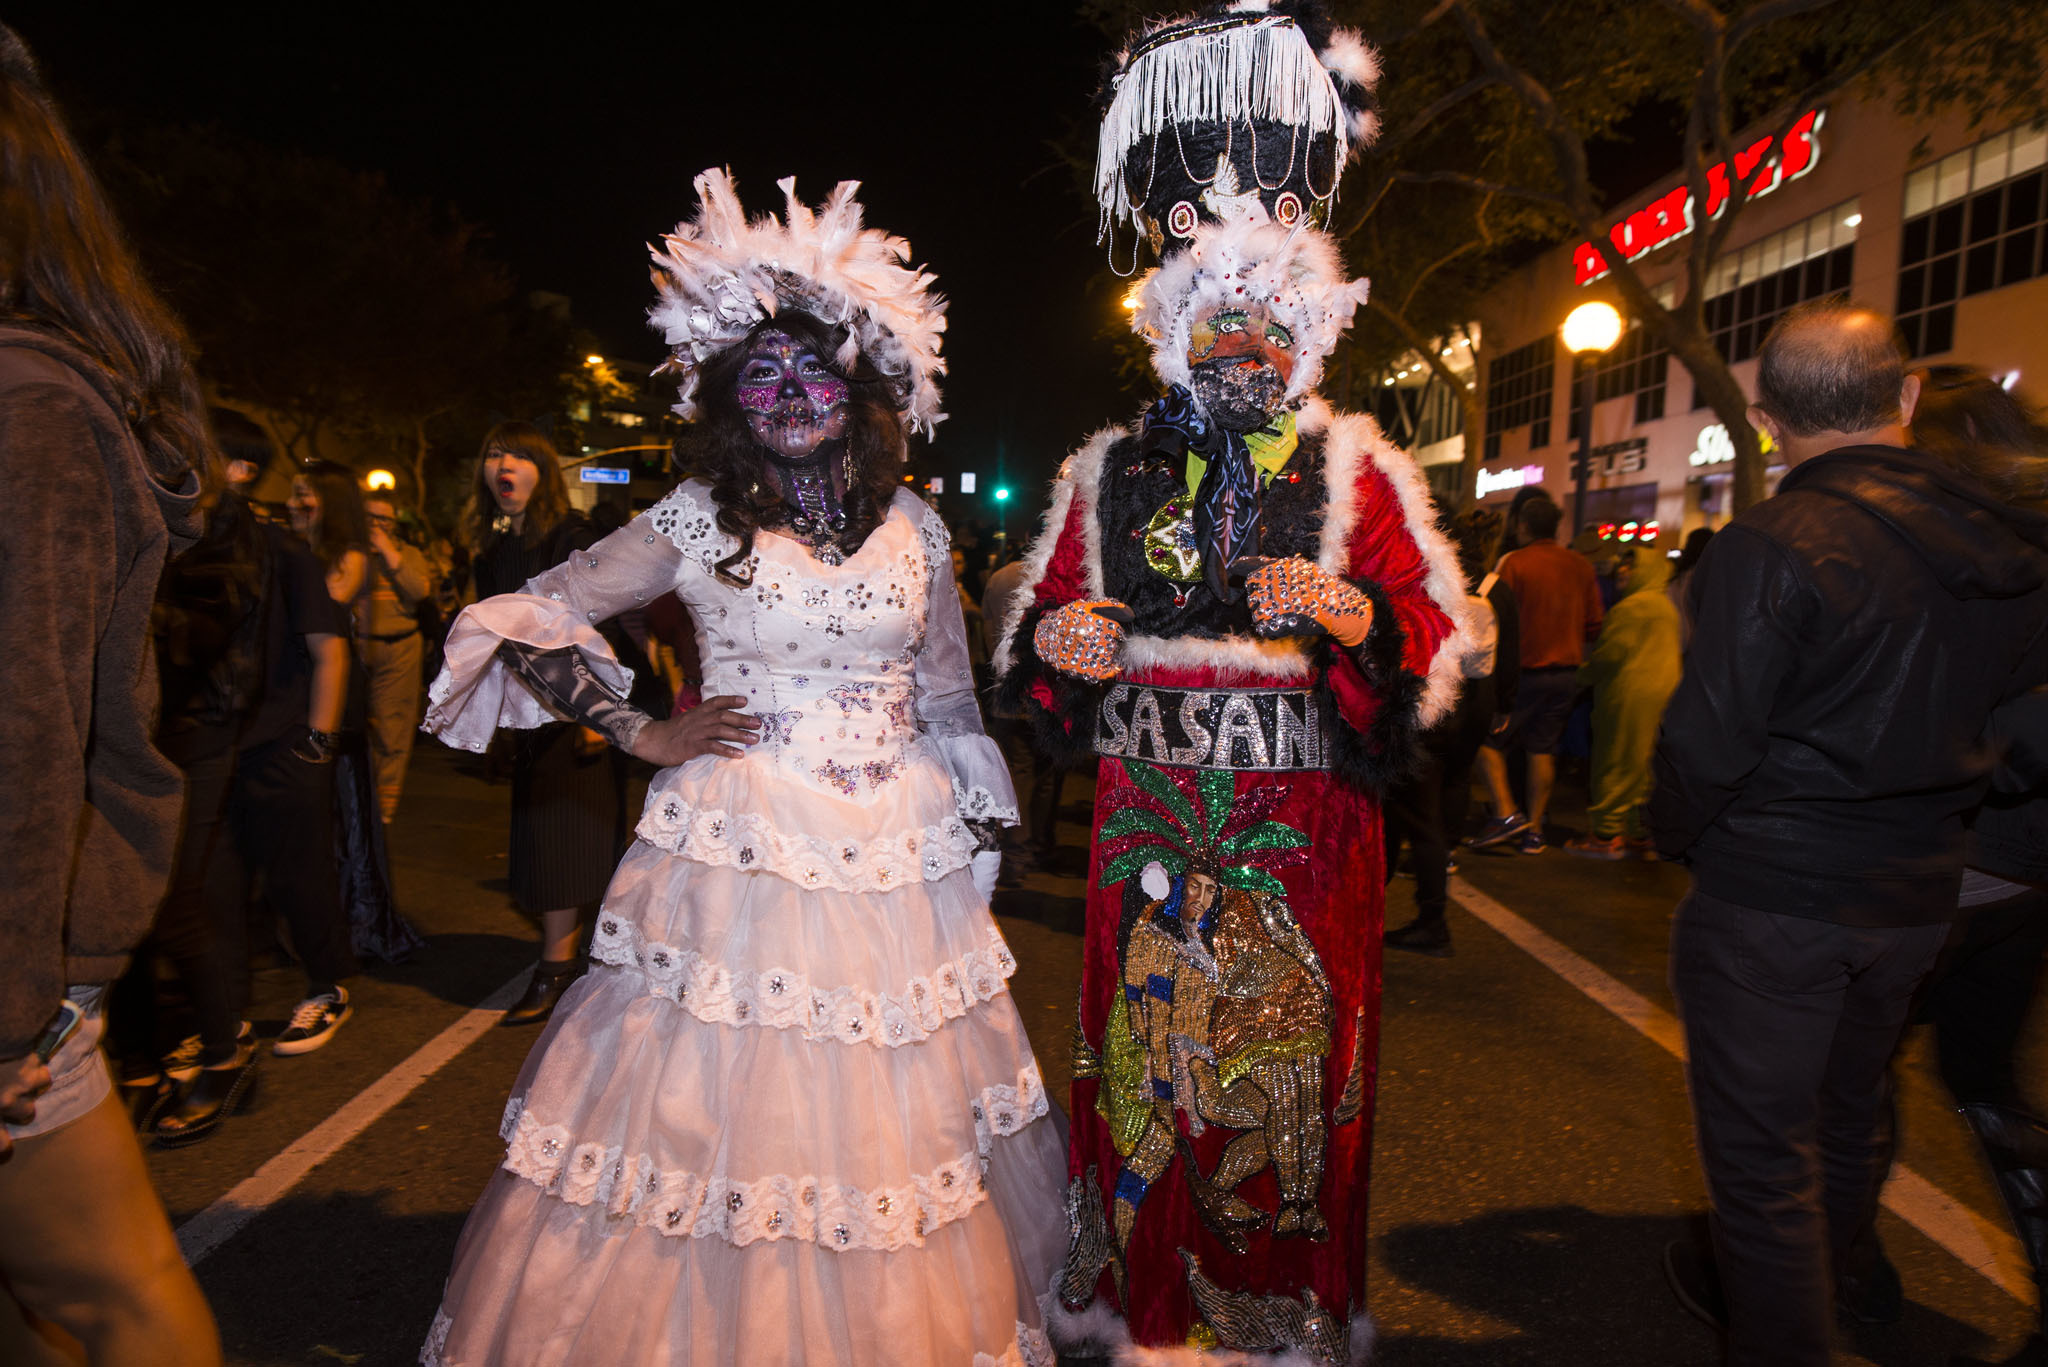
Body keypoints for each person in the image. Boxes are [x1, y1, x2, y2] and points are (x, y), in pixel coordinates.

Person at [416, 171, 1062, 1367]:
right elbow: (528, 611)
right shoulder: (697, 516)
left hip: (894, 857)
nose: (789, 393)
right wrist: (637, 729)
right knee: (723, 1116)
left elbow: (947, 692)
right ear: (727, 397)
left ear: (859, 386)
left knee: (888, 1124)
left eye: (814, 368)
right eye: (760, 374)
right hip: (741, 846)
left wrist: (977, 832)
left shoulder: (915, 525)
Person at [995, 9, 1465, 1357]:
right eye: (1218, 326)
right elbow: (1041, 633)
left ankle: (1274, 1315)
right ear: (1177, 338)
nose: (1241, 348)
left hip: (1303, 827)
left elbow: (1432, 635)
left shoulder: (1364, 467)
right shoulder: (1104, 467)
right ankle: (1140, 1309)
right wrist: (1062, 649)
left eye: (1266, 327)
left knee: (1281, 1072)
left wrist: (1345, 605)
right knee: (1144, 1062)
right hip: (1145, 816)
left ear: (1305, 338)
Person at [1650, 302, 2048, 1367]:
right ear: (1904, 395)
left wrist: (1680, 833)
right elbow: (2023, 723)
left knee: (1760, 1165)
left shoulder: (1775, 543)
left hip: (1775, 893)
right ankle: (1845, 1285)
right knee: (1842, 1117)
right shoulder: (2007, 545)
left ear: (1770, 419)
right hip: (1916, 893)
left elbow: (1705, 741)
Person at [0, 24, 221, 1363]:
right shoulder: (696, 518)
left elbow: (21, 736)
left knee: (102, 1291)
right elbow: (540, 608)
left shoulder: (29, 408)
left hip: (15, 968)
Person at [458, 421, 639, 1026]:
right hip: (526, 711)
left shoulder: (572, 537)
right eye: (493, 453)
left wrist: (598, 717)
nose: (501, 464)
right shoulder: (493, 542)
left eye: (516, 455)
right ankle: (583, 954)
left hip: (574, 710)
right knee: (541, 835)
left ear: (542, 469)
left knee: (564, 837)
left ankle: (556, 965)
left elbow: (608, 621)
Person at [289, 458, 421, 968]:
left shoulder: (354, 557)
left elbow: (320, 611)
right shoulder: (298, 549)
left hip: (348, 690)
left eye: (306, 494)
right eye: (294, 493)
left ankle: (356, 918)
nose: (296, 504)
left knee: (350, 810)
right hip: (295, 693)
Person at [1385, 508, 1519, 955]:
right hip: (1459, 711)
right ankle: (1416, 910)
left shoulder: (1422, 596)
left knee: (1416, 819)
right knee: (1428, 809)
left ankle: (1431, 919)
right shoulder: (1477, 598)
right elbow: (1484, 665)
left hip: (1424, 713)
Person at [1466, 494, 1601, 855]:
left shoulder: (1514, 563)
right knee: (1544, 750)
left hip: (1525, 671)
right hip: (1567, 674)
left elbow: (1498, 617)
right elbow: (1593, 624)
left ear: (1522, 526)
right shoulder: (1580, 566)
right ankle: (1535, 831)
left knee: (1488, 739)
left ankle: (1506, 812)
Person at [1565, 545, 1681, 859]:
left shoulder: (1632, 608)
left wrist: (1581, 676)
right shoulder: (1666, 607)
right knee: (1643, 765)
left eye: (1631, 565)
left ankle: (1605, 834)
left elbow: (1609, 656)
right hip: (1662, 697)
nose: (1623, 571)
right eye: (1623, 564)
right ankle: (1639, 832)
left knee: (1614, 762)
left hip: (1629, 694)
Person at [361, 493, 434, 822]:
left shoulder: (409, 555)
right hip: (359, 647)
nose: (376, 525)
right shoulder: (352, 553)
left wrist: (390, 555)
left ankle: (383, 808)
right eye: (370, 517)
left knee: (393, 730)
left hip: (400, 648)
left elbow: (418, 592)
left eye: (384, 519)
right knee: (357, 726)